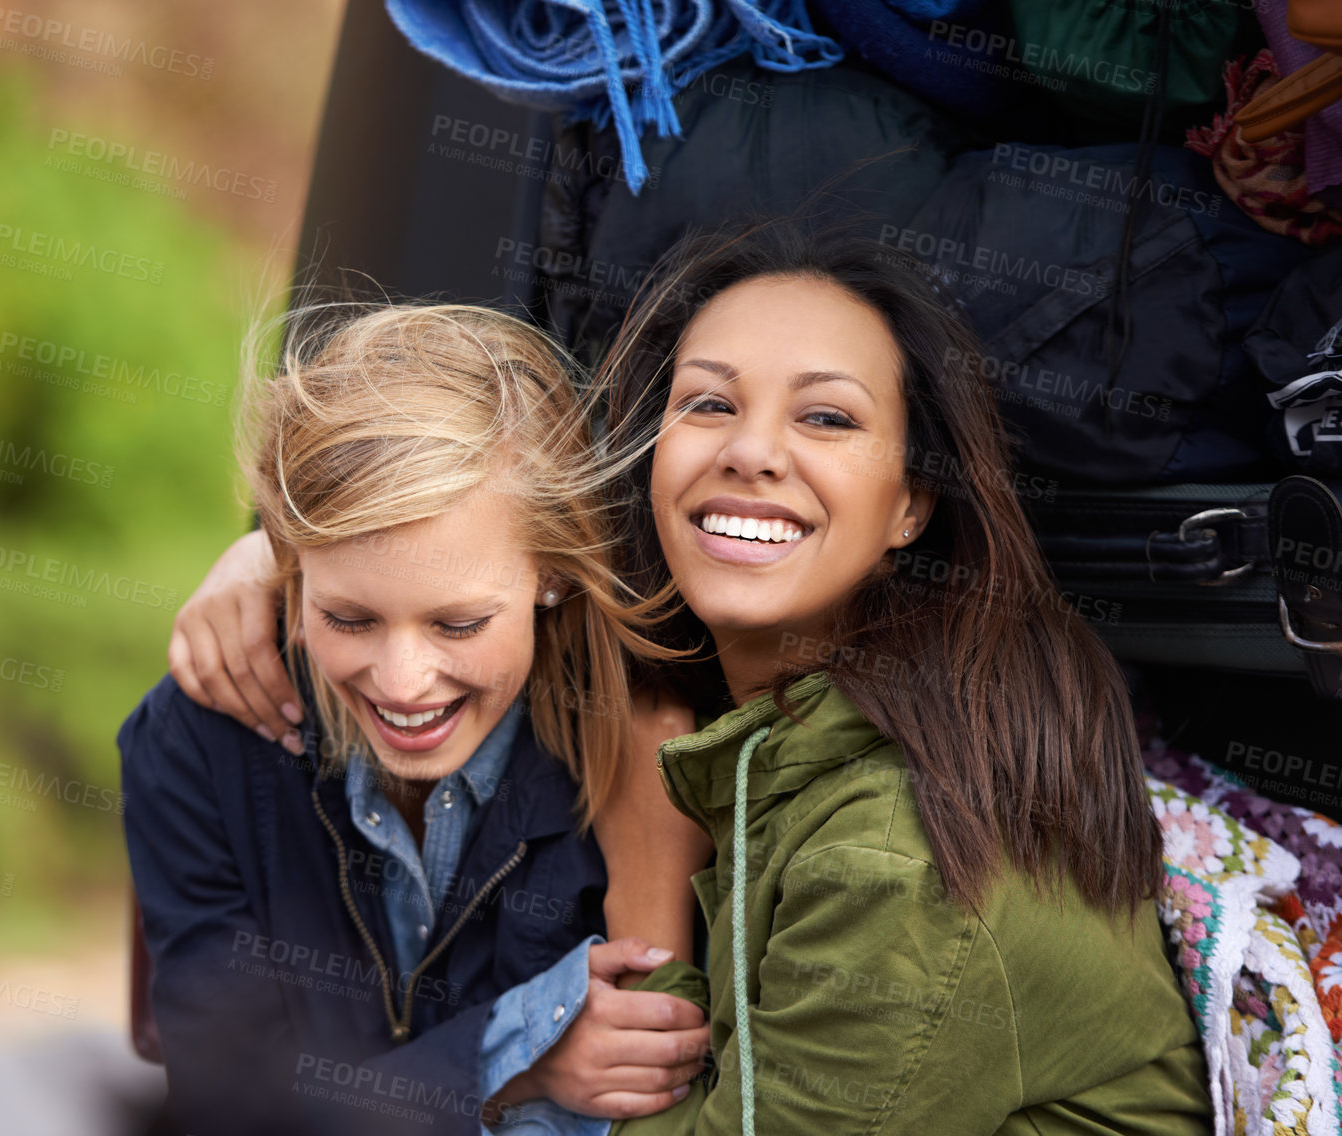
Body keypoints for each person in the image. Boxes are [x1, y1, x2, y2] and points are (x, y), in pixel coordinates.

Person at [165, 223, 1215, 1134]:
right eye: (708, 404)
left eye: (827, 417)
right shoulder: (768, 690)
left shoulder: (896, 862)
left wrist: (649, 885)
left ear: (912, 503)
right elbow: (484, 498)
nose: (752, 450)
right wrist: (281, 550)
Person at [119, 303, 710, 1136]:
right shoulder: (197, 741)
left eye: (458, 625)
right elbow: (224, 1111)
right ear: (285, 569)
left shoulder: (633, 756)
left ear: (550, 574)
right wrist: (511, 1058)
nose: (402, 684)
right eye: (349, 619)